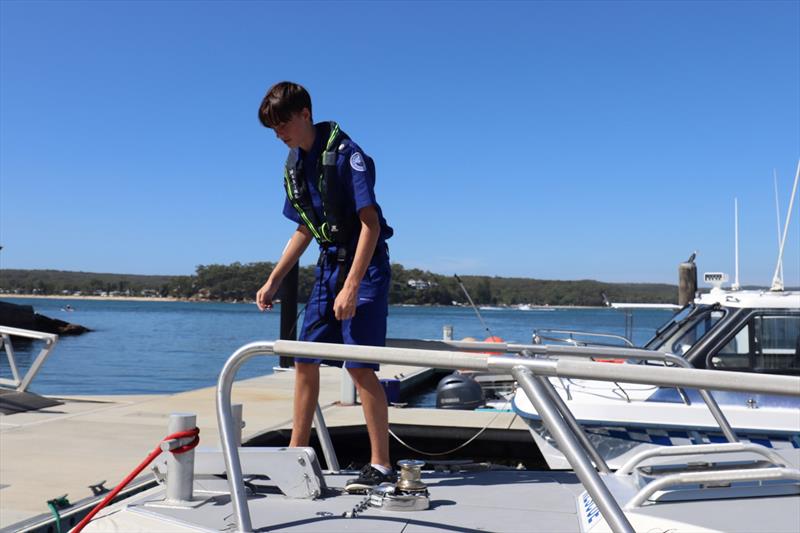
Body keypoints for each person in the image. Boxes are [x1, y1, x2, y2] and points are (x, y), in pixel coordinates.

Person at [255, 81, 395, 493]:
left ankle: (381, 464)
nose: (279, 133)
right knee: (304, 358)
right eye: (273, 128)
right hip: (327, 270)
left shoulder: (346, 155)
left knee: (358, 366)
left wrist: (351, 286)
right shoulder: (294, 164)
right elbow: (304, 227)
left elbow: (369, 223)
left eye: (282, 123)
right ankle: (297, 455)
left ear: (305, 114)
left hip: (364, 270)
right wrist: (275, 277)